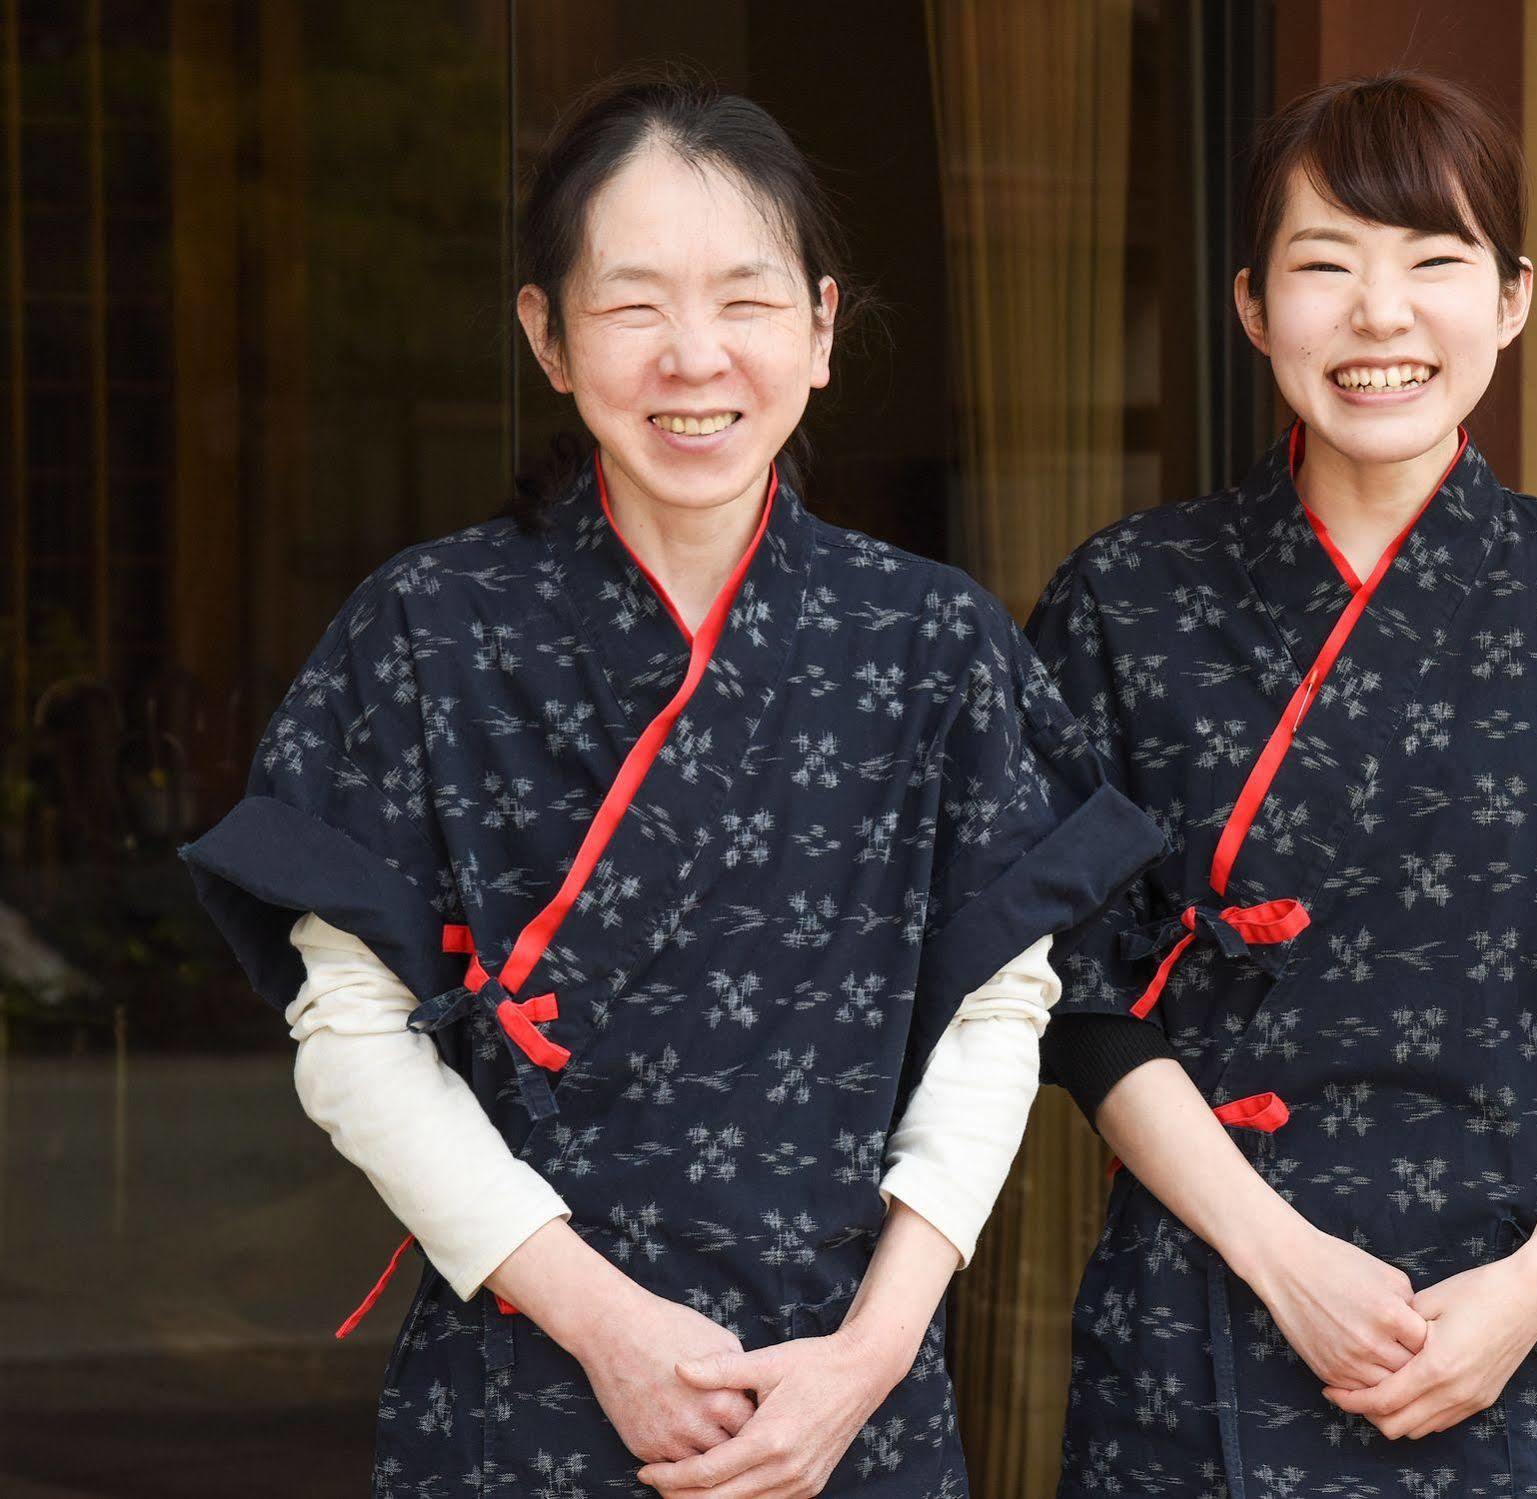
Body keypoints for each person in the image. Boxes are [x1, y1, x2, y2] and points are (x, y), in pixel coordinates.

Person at [183, 67, 1159, 1497]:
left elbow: (1002, 1009)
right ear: (550, 338)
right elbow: (350, 1031)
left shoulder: (933, 641)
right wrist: (610, 1328)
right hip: (520, 1386)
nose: (694, 356)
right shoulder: (427, 628)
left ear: (823, 328)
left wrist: (876, 1350)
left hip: (844, 1401)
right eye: (634, 303)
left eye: (746, 300)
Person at [1029, 71, 1537, 1498]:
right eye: (1325, 266)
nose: (1381, 316)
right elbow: (1067, 983)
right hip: (1216, 1292)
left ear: (1512, 298)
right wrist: (1283, 1263)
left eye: (1434, 262)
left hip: (1535, 1298)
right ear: (1250, 305)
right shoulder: (1130, 595)